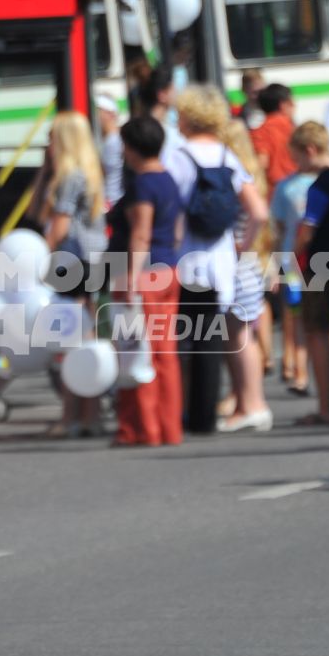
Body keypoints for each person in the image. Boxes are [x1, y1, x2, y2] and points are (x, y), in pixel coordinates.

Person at [166, 87, 268, 434]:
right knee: (210, 336)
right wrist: (243, 245)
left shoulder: (177, 157)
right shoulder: (227, 156)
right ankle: (205, 415)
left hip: (186, 260)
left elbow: (172, 211)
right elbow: (258, 211)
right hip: (220, 259)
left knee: (182, 337)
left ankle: (185, 411)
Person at [37, 112, 110, 438]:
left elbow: (57, 222)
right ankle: (90, 414)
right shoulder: (90, 172)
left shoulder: (69, 176)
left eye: (52, 137)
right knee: (88, 337)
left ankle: (70, 416)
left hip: (72, 260)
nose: (48, 144)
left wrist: (40, 256)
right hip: (94, 258)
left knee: (71, 338)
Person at [113, 116, 184, 447]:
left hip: (146, 274)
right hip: (170, 269)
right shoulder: (168, 179)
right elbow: (179, 229)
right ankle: (170, 427)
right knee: (165, 353)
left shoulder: (141, 183)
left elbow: (140, 233)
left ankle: (143, 428)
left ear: (131, 147)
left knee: (136, 352)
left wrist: (130, 276)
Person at [287, 121, 329, 426]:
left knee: (316, 333)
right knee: (326, 330)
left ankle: (326, 407)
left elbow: (306, 232)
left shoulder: (319, 187)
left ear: (310, 150)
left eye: (298, 158)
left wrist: (288, 259)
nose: (297, 166)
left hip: (317, 264)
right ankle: (328, 404)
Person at [216, 114, 273, 432]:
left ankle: (252, 405)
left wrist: (241, 244)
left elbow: (258, 215)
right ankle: (245, 403)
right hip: (248, 266)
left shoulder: (236, 176)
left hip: (239, 265)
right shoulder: (250, 173)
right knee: (238, 336)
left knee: (238, 337)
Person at [269, 161, 315, 394]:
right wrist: (277, 263)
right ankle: (298, 371)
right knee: (295, 316)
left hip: (323, 259)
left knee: (324, 323)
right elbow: (278, 228)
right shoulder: (285, 186)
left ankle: (313, 374)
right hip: (294, 260)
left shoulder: (327, 183)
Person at [248, 82, 298, 190]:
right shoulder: (296, 131)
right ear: (283, 105)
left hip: (273, 193)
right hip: (298, 190)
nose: (295, 106)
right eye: (291, 102)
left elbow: (260, 164)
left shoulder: (259, 133)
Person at [95, 92, 125, 206]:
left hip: (113, 202)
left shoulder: (114, 140)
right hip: (108, 202)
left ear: (110, 114)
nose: (95, 115)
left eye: (98, 111)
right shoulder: (105, 140)